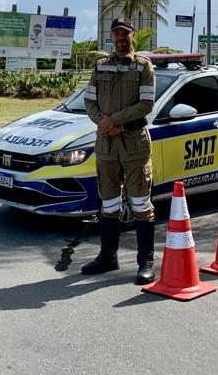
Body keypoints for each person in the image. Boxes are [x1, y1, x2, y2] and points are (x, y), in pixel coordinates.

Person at [81, 16, 157, 284]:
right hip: (106, 145)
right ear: (111, 37)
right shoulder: (100, 66)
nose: (122, 38)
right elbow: (89, 101)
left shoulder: (143, 67)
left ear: (133, 37)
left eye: (126, 33)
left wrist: (115, 120)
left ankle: (145, 262)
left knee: (139, 203)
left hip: (134, 143)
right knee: (109, 203)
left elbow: (146, 104)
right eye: (117, 34)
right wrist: (102, 123)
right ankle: (107, 257)